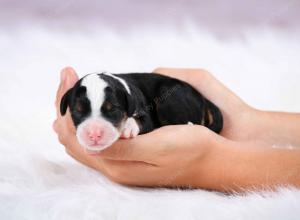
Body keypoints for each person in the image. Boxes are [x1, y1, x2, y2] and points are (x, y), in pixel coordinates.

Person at [53, 67, 300, 192]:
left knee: (168, 103)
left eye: (111, 112)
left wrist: (210, 162)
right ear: (69, 105)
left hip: (176, 96)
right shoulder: (117, 94)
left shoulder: (133, 99)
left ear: (128, 105)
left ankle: (191, 121)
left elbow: (145, 119)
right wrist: (250, 124)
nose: (94, 131)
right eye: (81, 112)